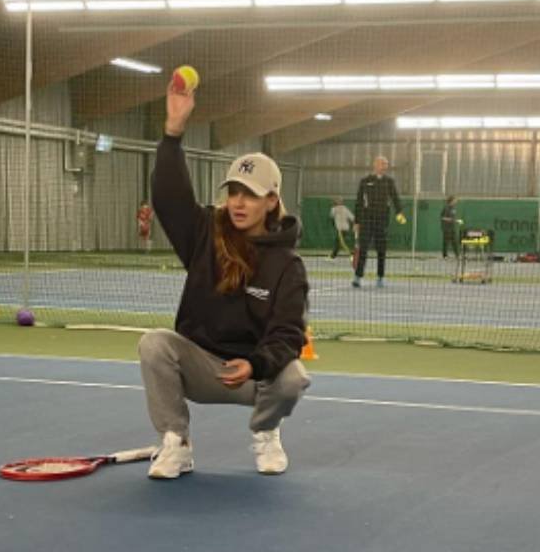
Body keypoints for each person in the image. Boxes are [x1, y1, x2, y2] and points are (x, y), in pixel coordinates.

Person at [140, 72, 311, 479]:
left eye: (250, 194)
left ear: (271, 201)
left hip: (255, 376)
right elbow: (169, 196)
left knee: (294, 377)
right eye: (233, 191)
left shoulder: (287, 265)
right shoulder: (204, 234)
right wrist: (173, 131)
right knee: (154, 344)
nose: (238, 202)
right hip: (202, 366)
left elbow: (288, 334)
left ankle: (267, 431)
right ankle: (177, 444)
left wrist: (255, 364)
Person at [352, 156, 404, 288]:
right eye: (382, 163)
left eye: (386, 164)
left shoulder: (389, 181)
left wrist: (399, 212)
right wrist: (357, 221)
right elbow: (358, 202)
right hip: (367, 220)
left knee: (381, 249)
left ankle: (380, 277)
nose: (385, 166)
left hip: (382, 220)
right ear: (375, 164)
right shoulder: (365, 181)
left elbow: (395, 198)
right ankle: (358, 277)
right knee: (363, 248)